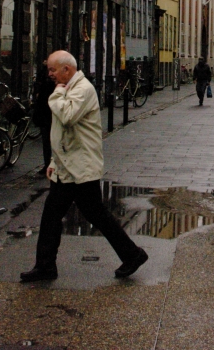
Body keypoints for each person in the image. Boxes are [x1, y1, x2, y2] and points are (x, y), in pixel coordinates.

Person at [21, 50, 149, 282]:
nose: (50, 74)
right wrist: (54, 161)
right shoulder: (68, 88)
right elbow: (61, 132)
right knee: (54, 215)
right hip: (67, 167)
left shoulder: (82, 89)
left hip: (81, 167)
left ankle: (132, 254)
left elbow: (67, 116)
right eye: (49, 69)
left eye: (53, 69)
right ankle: (45, 266)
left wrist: (56, 95)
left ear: (67, 69)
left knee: (95, 214)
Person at [31, 62, 54, 174]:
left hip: (47, 113)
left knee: (47, 141)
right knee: (49, 141)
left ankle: (48, 165)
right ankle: (49, 165)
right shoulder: (52, 80)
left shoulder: (46, 80)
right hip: (49, 114)